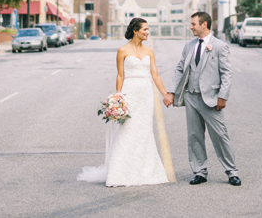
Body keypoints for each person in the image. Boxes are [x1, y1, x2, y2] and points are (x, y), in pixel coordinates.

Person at [77, 18, 170, 187]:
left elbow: (155, 75)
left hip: (146, 94)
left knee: (145, 130)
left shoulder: (149, 51)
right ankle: (121, 172)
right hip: (130, 92)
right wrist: (118, 97)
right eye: (145, 29)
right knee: (128, 130)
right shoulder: (122, 50)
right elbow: (120, 75)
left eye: (148, 30)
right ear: (135, 31)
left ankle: (146, 171)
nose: (148, 32)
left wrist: (165, 94)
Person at [164, 12, 241, 186]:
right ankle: (200, 172)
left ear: (204, 24)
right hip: (191, 97)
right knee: (194, 136)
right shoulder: (189, 45)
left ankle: (232, 172)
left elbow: (227, 73)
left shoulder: (220, 46)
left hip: (212, 99)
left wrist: (223, 96)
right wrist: (171, 91)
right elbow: (179, 69)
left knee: (220, 136)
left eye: (193, 24)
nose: (190, 27)